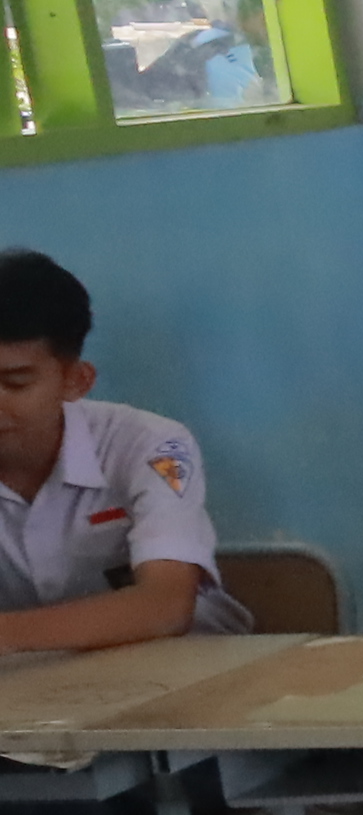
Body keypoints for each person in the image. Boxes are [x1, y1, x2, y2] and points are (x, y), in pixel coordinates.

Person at [0, 248, 250, 649]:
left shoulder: (151, 444)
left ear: (76, 382)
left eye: (15, 383)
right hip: (38, 687)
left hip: (190, 667)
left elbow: (165, 606)